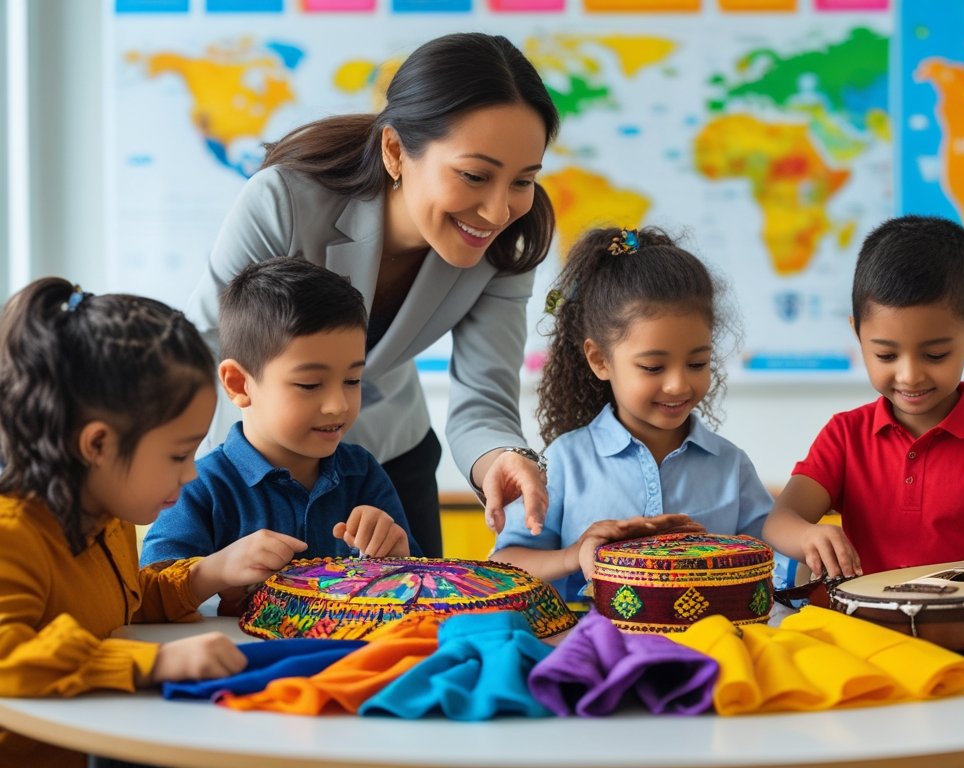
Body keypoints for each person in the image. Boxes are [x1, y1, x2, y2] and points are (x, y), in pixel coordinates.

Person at [185, 32, 561, 558]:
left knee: (414, 623)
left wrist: (503, 455)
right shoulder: (284, 202)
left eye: (524, 181)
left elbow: (484, 399)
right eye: (475, 175)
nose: (499, 211)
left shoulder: (507, 246)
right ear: (395, 151)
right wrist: (196, 474)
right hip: (261, 466)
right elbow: (204, 347)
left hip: (388, 459)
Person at [0, 279, 307, 768]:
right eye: (178, 454)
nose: (190, 473)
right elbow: (7, 656)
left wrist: (208, 574)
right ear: (96, 445)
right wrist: (154, 662)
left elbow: (116, 606)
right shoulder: (12, 535)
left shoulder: (106, 518)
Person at [762, 215, 964, 580]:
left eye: (934, 356)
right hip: (862, 628)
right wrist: (808, 534)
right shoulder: (845, 435)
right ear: (858, 335)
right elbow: (779, 521)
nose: (909, 376)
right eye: (886, 356)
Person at [491, 227, 772, 601]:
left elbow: (773, 562)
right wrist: (575, 555)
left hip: (709, 645)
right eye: (654, 368)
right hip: (590, 646)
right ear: (600, 359)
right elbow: (505, 566)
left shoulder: (730, 466)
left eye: (697, 362)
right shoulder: (565, 462)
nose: (678, 385)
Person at [142, 258, 419, 574]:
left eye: (352, 380)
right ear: (238, 384)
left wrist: (398, 556)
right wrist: (216, 571)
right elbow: (151, 592)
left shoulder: (363, 475)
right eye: (310, 384)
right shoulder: (200, 486)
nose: (338, 405)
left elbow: (418, 587)